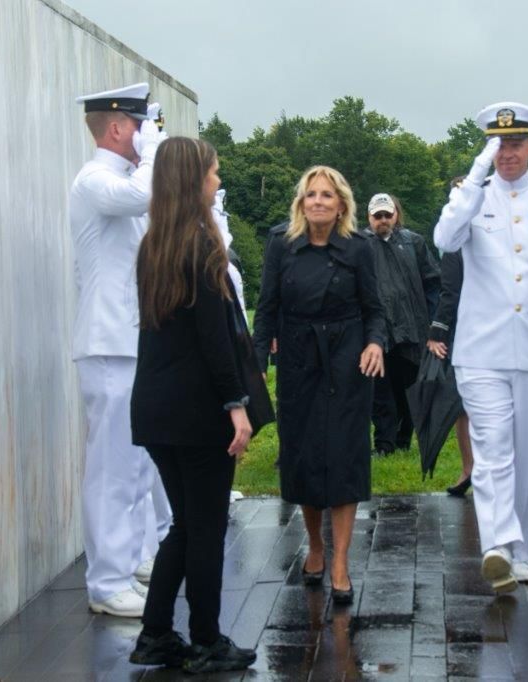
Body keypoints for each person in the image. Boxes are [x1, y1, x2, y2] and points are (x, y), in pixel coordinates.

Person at [433, 102, 528, 592]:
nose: (508, 153)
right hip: (481, 350)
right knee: (494, 448)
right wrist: (474, 177)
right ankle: (497, 545)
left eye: (516, 143)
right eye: (499, 144)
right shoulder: (471, 198)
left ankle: (521, 549)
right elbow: (444, 239)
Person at [127, 137, 258, 673]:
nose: (218, 181)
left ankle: (156, 632)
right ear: (193, 180)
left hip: (156, 410)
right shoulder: (202, 248)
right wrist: (236, 404)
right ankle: (205, 640)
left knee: (185, 524)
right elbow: (214, 339)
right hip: (198, 411)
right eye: (213, 173)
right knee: (204, 528)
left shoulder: (154, 244)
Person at [252, 166, 386, 605]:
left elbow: (376, 308)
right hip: (297, 358)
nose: (318, 202)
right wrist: (258, 366)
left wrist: (375, 344)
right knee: (305, 455)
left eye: (327, 195)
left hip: (348, 359)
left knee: (345, 456)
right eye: (311, 195)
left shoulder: (360, 247)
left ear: (341, 204)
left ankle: (342, 559)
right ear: (300, 203)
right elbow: (266, 307)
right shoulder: (281, 244)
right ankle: (315, 545)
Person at [70, 83, 168, 617]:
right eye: (139, 125)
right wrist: (154, 151)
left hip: (128, 341)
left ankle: (127, 564)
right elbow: (146, 196)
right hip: (107, 344)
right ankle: (106, 581)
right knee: (110, 468)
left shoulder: (123, 183)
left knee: (132, 465)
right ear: (116, 128)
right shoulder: (95, 181)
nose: (144, 135)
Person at [365, 192, 441, 455]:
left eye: (387, 214)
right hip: (377, 332)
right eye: (378, 216)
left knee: (409, 386)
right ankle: (384, 442)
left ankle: (404, 438)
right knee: (379, 390)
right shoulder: (360, 245)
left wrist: (434, 322)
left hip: (412, 327)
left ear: (396, 215)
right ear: (369, 217)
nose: (383, 220)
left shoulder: (414, 243)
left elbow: (433, 282)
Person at [425, 244, 474, 496]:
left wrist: (437, 331)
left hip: (468, 331)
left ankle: (470, 468)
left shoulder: (457, 243)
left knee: (462, 405)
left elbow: (450, 292)